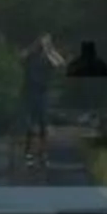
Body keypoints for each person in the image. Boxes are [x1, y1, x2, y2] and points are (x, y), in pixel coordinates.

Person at [18, 32, 67, 165]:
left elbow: (60, 64)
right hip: (29, 92)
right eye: (41, 42)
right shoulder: (31, 56)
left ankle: (43, 153)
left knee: (43, 124)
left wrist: (50, 50)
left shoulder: (48, 59)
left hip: (42, 93)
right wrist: (33, 47)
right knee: (30, 124)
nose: (42, 45)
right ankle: (28, 152)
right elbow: (21, 57)